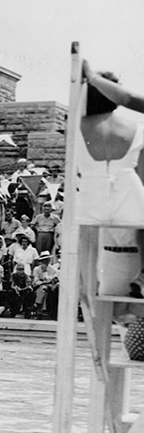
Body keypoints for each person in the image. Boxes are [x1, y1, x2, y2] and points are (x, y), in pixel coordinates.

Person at [80, 60, 144, 297]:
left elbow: (127, 99)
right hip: (126, 193)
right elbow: (127, 99)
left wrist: (89, 79)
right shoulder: (134, 128)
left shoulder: (78, 125)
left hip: (92, 194)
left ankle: (82, 286)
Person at [31, 252, 59, 319]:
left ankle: (37, 305)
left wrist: (45, 273)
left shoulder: (53, 269)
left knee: (46, 290)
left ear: (49, 260)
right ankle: (41, 308)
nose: (45, 262)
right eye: (43, 260)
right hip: (39, 287)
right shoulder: (36, 269)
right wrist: (44, 282)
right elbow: (36, 281)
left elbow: (52, 279)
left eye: (46, 260)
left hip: (50, 287)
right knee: (43, 289)